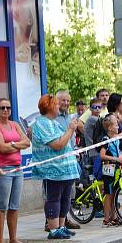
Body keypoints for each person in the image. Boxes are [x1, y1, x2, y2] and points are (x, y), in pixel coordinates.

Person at [31, 94, 80, 239]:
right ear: (50, 106)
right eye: (57, 104)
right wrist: (70, 129)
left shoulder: (53, 122)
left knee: (65, 199)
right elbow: (58, 144)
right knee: (54, 198)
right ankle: (53, 229)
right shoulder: (42, 123)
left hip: (64, 170)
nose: (59, 106)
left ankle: (61, 226)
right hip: (53, 170)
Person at [0, 98, 31, 243]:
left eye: (8, 108)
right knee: (2, 206)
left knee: (14, 205)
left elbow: (27, 142)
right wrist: (16, 145)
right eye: (2, 108)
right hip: (3, 169)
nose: (6, 110)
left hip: (18, 169)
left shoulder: (15, 124)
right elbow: (1, 148)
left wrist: (11, 145)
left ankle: (13, 238)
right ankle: (0, 240)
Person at [53, 91, 83, 230]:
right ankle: (51, 222)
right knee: (54, 194)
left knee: (68, 193)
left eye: (67, 101)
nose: (65, 103)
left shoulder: (70, 117)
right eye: (62, 100)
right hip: (56, 161)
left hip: (70, 160)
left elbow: (71, 138)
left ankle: (64, 220)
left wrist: (76, 151)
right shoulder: (51, 117)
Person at [99, 115, 122, 226]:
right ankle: (106, 218)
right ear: (109, 128)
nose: (118, 126)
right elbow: (102, 155)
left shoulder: (116, 138)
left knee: (114, 194)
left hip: (116, 168)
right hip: (108, 168)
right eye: (115, 124)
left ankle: (114, 217)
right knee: (108, 194)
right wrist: (116, 159)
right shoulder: (106, 139)